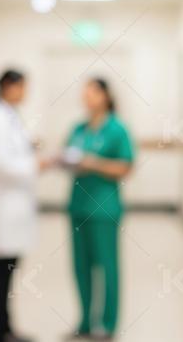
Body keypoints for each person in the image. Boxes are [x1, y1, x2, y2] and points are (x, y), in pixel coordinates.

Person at [0, 69, 52, 342]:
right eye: (22, 87)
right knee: (2, 272)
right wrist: (35, 164)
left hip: (13, 208)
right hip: (3, 209)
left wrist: (29, 148)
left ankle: (6, 328)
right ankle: (0, 331)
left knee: (7, 271)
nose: (25, 93)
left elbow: (10, 151)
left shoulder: (8, 115)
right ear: (9, 86)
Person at [62, 77, 135, 340]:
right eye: (85, 91)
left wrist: (93, 163)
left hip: (104, 209)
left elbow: (125, 166)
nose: (86, 96)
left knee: (107, 266)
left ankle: (107, 324)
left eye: (92, 91)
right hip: (77, 207)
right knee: (80, 266)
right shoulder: (78, 129)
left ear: (105, 96)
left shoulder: (117, 129)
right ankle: (84, 321)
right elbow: (67, 156)